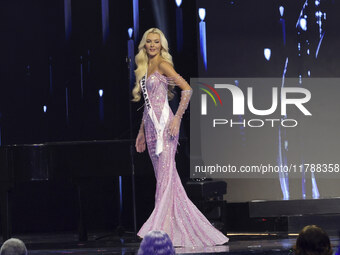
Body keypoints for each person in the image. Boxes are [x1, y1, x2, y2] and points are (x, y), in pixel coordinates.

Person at [133, 27, 228, 247]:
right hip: (150, 129)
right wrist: (141, 132)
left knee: (165, 181)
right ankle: (173, 231)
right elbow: (148, 107)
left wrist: (177, 119)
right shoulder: (145, 68)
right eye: (149, 42)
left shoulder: (163, 65)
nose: (153, 45)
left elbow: (187, 89)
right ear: (144, 45)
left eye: (157, 42)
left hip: (166, 129)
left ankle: (158, 231)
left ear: (161, 45)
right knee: (167, 180)